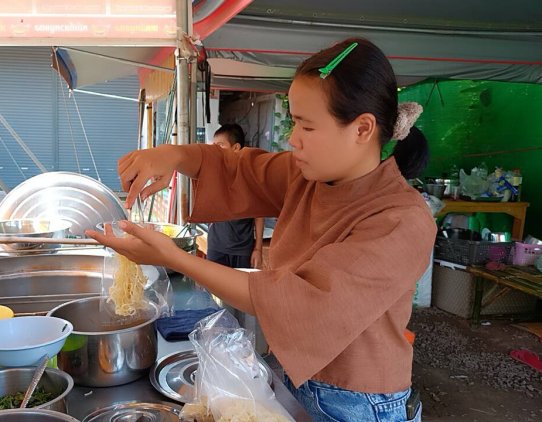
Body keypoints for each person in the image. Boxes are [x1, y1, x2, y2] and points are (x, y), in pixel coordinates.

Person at [88, 37, 434, 421]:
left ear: (362, 128)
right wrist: (170, 155)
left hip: (359, 403)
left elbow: (304, 303)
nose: (292, 139)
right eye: (292, 122)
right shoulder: (308, 177)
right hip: (297, 377)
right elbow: (238, 169)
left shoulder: (401, 219)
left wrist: (174, 259)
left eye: (306, 126)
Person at [207, 123, 265, 269]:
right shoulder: (214, 174)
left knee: (239, 290)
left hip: (243, 250)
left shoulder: (251, 177)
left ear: (236, 148)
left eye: (220, 145)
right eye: (213, 146)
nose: (215, 150)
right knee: (214, 289)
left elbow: (259, 215)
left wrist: (258, 249)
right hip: (216, 247)